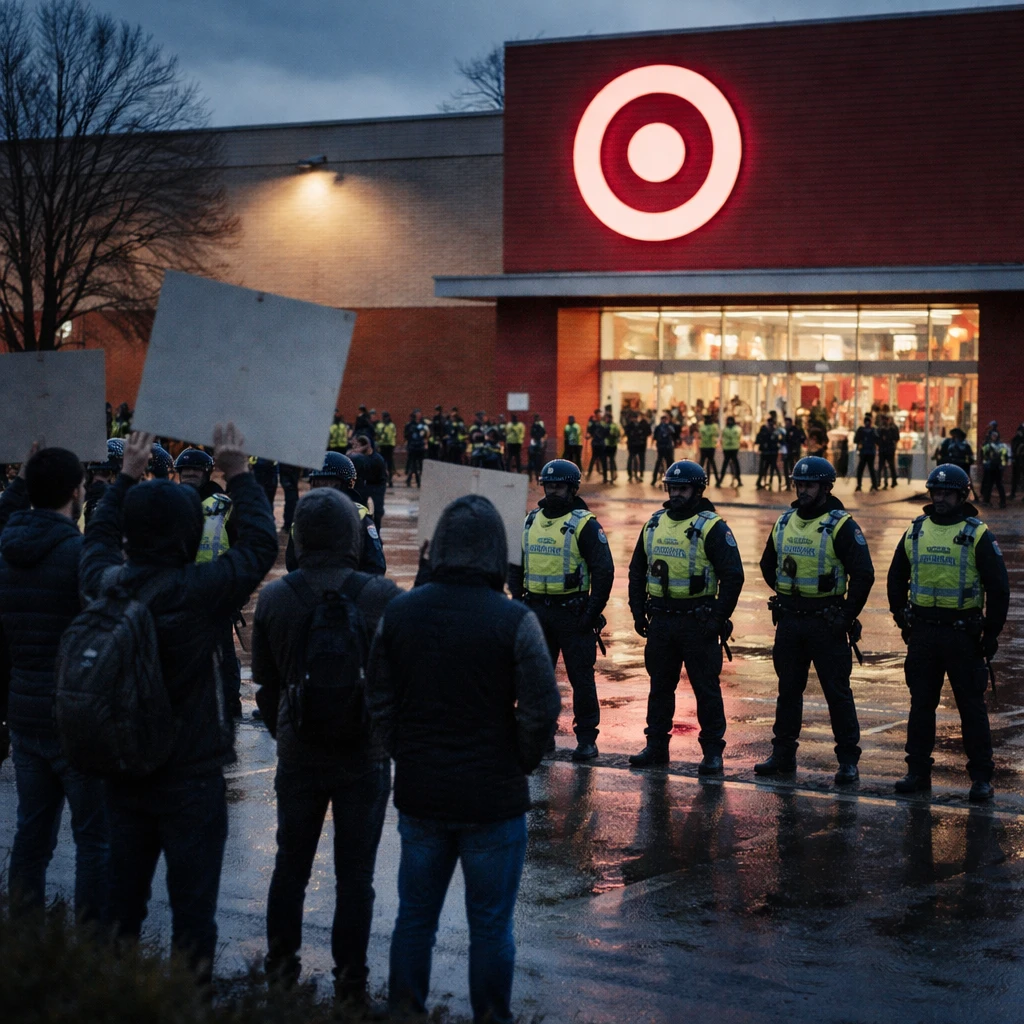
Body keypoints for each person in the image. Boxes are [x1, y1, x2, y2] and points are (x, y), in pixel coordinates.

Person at [79, 426, 278, 981]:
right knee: (193, 915)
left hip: (122, 772)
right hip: (191, 775)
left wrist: (122, 481)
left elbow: (95, 540)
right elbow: (261, 544)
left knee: (122, 908)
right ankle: (187, 1002)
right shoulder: (202, 594)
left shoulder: (106, 584)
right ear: (190, 532)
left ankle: (115, 1000)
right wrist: (238, 471)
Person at [366, 495, 559, 1024]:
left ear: (439, 546)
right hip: (493, 799)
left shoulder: (401, 611)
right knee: (492, 926)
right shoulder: (514, 619)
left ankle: (405, 1012)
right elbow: (542, 707)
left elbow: (378, 696)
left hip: (422, 793)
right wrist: (517, 760)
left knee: (414, 921)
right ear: (499, 551)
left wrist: (404, 751)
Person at [253, 489, 402, 1007]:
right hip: (364, 756)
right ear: (352, 538)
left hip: (299, 753)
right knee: (355, 876)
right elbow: (396, 682)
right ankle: (351, 981)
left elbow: (267, 688)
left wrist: (288, 730)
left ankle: (280, 971)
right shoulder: (382, 596)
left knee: (290, 865)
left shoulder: (275, 598)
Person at [0, 446, 109, 922]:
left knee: (32, 833)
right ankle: (90, 950)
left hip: (24, 712)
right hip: (75, 718)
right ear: (75, 493)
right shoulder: (77, 554)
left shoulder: (6, 549)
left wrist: (22, 481)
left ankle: (25, 940)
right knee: (93, 840)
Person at [887, 464, 1009, 801]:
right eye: (936, 492)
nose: (940, 498)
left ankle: (981, 778)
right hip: (923, 633)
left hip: (963, 636)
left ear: (962, 495)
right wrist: (902, 618)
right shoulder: (916, 530)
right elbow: (896, 577)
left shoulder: (977, 533)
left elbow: (999, 588)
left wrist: (990, 633)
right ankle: (917, 772)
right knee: (921, 706)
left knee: (971, 708)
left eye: (947, 493)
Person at [754, 456, 874, 784]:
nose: (803, 490)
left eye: (809, 485)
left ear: (825, 487)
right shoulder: (784, 521)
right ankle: (782, 755)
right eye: (799, 484)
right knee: (788, 691)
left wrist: (845, 616)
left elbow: (863, 574)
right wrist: (789, 594)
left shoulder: (841, 524)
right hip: (791, 621)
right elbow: (768, 565)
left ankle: (848, 760)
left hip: (827, 623)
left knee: (837, 693)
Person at [627, 461, 744, 770]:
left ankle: (712, 752)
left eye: (683, 489)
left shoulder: (712, 526)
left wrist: (717, 618)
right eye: (672, 488)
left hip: (698, 621)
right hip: (662, 620)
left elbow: (733, 576)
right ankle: (656, 747)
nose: (676, 494)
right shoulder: (654, 523)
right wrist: (637, 610)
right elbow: (637, 570)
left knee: (706, 689)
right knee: (660, 687)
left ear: (698, 490)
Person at [508, 459, 613, 761]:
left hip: (573, 613)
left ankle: (586, 739)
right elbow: (515, 564)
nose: (552, 490)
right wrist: (518, 599)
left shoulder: (585, 524)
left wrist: (591, 612)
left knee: (581, 678)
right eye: (548, 485)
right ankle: (541, 737)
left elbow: (603, 571)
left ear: (572, 488)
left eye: (559, 486)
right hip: (536, 610)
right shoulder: (530, 520)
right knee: (535, 678)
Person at [175, 447, 244, 719]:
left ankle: (229, 704)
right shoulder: (174, 501)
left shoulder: (223, 505)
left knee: (224, 653)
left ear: (206, 473)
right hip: (184, 591)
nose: (189, 475)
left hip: (216, 591)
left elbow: (241, 544)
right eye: (184, 471)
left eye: (194, 471)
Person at [284, 452, 385, 575]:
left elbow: (375, 566)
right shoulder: (302, 518)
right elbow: (292, 565)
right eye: (318, 484)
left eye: (330, 483)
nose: (324, 490)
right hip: (322, 588)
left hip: (346, 588)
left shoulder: (360, 517)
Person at [350, 432, 387, 531]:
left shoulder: (376, 459)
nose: (357, 448)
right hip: (365, 487)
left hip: (377, 486)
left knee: (377, 513)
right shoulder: (359, 457)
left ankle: (376, 534)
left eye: (360, 445)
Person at [980, 428, 1009, 508]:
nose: (994, 437)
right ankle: (987, 501)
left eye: (995, 435)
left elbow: (1004, 457)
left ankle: (1002, 502)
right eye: (993, 435)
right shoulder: (988, 446)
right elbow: (983, 456)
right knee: (990, 485)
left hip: (997, 468)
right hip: (991, 468)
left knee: (998, 485)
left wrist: (1002, 466)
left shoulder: (1000, 446)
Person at [853, 414, 879, 492]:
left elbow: (855, 440)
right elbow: (877, 439)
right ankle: (874, 485)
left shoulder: (861, 430)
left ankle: (859, 485)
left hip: (863, 452)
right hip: (871, 452)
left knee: (860, 469)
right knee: (871, 469)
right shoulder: (873, 430)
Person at [404, 409, 429, 487]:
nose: (418, 416)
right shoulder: (410, 425)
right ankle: (416, 480)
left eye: (419, 414)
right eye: (417, 414)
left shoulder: (423, 424)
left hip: (420, 447)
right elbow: (406, 435)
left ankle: (418, 480)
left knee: (421, 464)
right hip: (412, 447)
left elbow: (427, 434)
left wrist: (425, 443)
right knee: (413, 464)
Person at [754, 417, 780, 491]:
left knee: (767, 468)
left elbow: (776, 440)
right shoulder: (765, 430)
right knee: (764, 468)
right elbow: (759, 439)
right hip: (767, 452)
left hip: (771, 452)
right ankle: (761, 482)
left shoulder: (774, 431)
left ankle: (767, 482)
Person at [625, 411, 651, 483]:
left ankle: (638, 474)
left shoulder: (642, 423)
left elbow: (648, 432)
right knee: (634, 459)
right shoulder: (633, 424)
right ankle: (633, 474)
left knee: (638, 458)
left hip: (639, 444)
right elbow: (627, 432)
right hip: (635, 444)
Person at [650, 414, 676, 486]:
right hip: (665, 447)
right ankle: (669, 478)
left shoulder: (660, 427)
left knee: (661, 463)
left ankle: (655, 479)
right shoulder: (665, 427)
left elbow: (655, 437)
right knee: (667, 463)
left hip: (663, 447)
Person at [697, 414, 721, 487]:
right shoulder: (714, 426)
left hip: (708, 447)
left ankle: (716, 480)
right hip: (706, 447)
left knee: (705, 464)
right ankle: (717, 480)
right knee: (707, 464)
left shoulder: (703, 426)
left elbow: (701, 435)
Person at [278, 463, 301, 533]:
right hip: (290, 467)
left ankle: (289, 524)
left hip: (288, 467)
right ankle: (290, 523)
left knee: (291, 496)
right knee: (292, 496)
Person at [877, 415, 899, 489]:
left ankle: (892, 481)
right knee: (883, 466)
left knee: (889, 465)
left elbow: (896, 438)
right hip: (885, 449)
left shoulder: (892, 428)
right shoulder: (882, 428)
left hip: (888, 449)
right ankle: (880, 482)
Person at [782, 417, 805, 488]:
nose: (786, 424)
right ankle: (788, 483)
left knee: (793, 468)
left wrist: (796, 445)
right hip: (787, 452)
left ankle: (792, 482)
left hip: (793, 452)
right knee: (786, 468)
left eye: (787, 423)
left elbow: (802, 439)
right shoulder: (784, 430)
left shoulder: (795, 430)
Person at [720, 415, 742, 487]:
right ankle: (720, 480)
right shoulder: (726, 429)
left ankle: (738, 479)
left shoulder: (736, 429)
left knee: (734, 464)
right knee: (727, 464)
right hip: (727, 448)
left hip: (733, 448)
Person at [585, 410, 607, 482]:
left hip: (600, 443)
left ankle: (605, 477)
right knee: (594, 458)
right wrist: (588, 436)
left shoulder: (601, 423)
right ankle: (589, 474)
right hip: (596, 443)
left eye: (599, 414)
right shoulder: (594, 424)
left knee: (602, 460)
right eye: (598, 414)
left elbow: (606, 431)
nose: (599, 416)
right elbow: (589, 432)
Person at [378, 411, 397, 487]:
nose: (385, 418)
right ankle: (383, 479)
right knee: (382, 463)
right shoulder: (380, 425)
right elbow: (378, 434)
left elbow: (394, 435)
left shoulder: (391, 425)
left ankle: (390, 480)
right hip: (382, 446)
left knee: (389, 464)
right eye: (384, 417)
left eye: (386, 417)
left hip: (389, 446)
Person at [527, 414, 547, 482]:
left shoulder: (540, 424)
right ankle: (531, 476)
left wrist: (542, 441)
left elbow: (544, 433)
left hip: (538, 443)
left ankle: (537, 476)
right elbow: (532, 434)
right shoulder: (534, 425)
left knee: (538, 461)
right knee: (533, 460)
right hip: (535, 442)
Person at [603, 412, 621, 483]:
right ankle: (611, 476)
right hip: (611, 445)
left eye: (607, 418)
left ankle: (610, 476)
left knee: (609, 461)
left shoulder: (611, 426)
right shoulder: (614, 425)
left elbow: (616, 435)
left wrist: (610, 434)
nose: (606, 419)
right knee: (610, 460)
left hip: (609, 445)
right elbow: (618, 434)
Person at [1010, 424, 1024, 499]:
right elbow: (1013, 449)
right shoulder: (1015, 439)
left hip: (1020, 461)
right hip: (1017, 462)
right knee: (1015, 478)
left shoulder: (1018, 439)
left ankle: (1013, 494)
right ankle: (1012, 493)